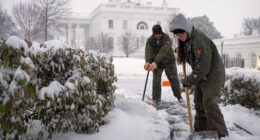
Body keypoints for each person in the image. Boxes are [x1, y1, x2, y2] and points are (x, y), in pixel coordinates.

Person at [170, 14, 229, 138]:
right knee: (198, 102)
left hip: (213, 75)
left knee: (209, 103)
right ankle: (200, 132)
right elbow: (194, 59)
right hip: (202, 75)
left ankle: (222, 134)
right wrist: (182, 52)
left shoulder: (198, 40)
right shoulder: (188, 39)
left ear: (186, 29)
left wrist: (188, 80)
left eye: (181, 33)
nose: (179, 37)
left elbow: (203, 67)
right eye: (177, 35)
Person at [144, 24, 183, 105]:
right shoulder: (150, 41)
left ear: (161, 33)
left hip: (169, 62)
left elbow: (163, 51)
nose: (157, 36)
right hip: (157, 64)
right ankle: (156, 99)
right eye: (155, 34)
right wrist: (148, 62)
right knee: (156, 80)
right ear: (153, 34)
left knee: (174, 79)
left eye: (159, 34)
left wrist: (155, 62)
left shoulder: (167, 38)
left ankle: (179, 97)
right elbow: (148, 51)